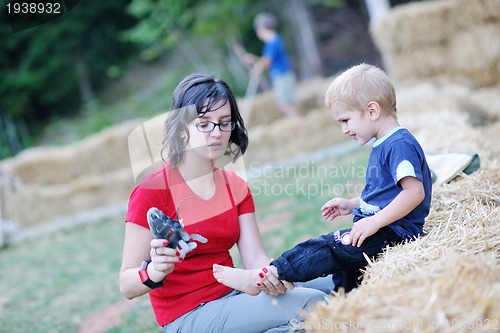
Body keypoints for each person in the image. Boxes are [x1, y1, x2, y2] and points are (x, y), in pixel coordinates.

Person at [119, 73, 327, 333]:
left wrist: (269, 274)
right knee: (318, 303)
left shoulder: (235, 186)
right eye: (204, 124)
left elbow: (254, 258)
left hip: (235, 296)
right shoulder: (152, 190)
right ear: (182, 128)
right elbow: (127, 285)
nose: (216, 133)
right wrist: (153, 272)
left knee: (336, 284)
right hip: (189, 315)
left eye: (224, 123)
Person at [213, 63, 433, 294]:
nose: (344, 130)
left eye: (345, 121)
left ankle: (271, 274)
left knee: (328, 248)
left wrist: (374, 222)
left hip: (393, 233)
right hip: (384, 229)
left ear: (372, 111)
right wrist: (352, 204)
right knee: (346, 269)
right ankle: (343, 304)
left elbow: (414, 193)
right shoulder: (385, 144)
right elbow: (387, 194)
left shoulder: (398, 145)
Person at [243, 12, 299, 118]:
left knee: (283, 103)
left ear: (261, 29)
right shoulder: (274, 40)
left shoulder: (272, 42)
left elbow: (266, 62)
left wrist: (252, 59)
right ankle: (294, 119)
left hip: (282, 75)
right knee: (286, 102)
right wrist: (258, 69)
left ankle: (296, 120)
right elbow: (268, 62)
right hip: (283, 74)